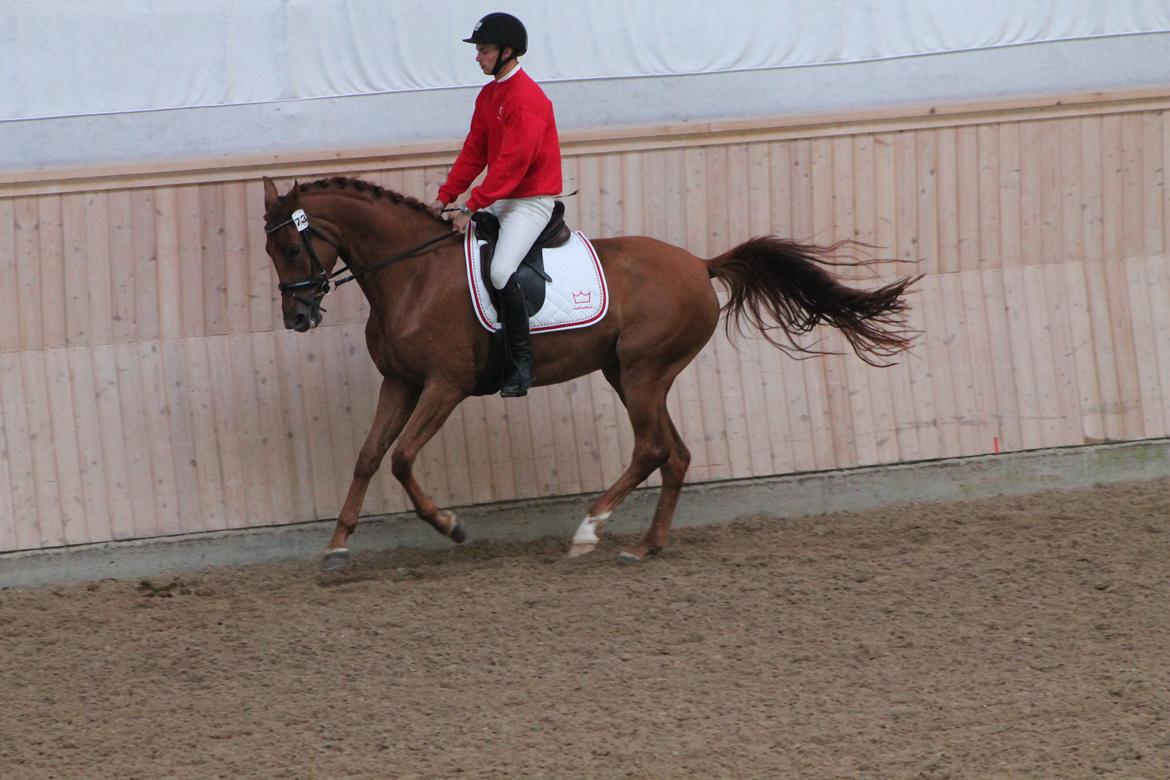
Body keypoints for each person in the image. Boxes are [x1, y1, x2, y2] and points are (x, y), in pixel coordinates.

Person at [429, 12, 562, 398]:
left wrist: (470, 206)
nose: (478, 57)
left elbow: (512, 167)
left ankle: (522, 363)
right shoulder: (489, 96)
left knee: (501, 271)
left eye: (484, 50)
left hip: (530, 202)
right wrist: (444, 197)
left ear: (507, 52)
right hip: (501, 199)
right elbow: (474, 152)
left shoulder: (527, 100)